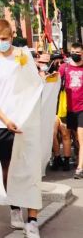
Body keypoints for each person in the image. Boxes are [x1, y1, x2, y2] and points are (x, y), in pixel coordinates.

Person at [0, 19, 40, 237]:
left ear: (12, 36)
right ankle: (14, 208)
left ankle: (32, 219)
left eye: (5, 39)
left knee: (29, 167)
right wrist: (5, 118)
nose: (2, 42)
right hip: (1, 122)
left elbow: (34, 83)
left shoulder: (23, 55)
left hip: (24, 120)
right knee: (7, 168)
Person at [58, 42, 83, 179]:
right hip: (67, 109)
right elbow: (54, 82)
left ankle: (79, 168)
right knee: (66, 136)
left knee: (81, 138)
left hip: (82, 109)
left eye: (78, 52)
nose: (75, 54)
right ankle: (69, 159)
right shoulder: (64, 68)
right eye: (73, 51)